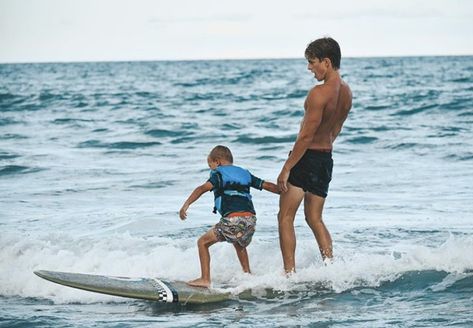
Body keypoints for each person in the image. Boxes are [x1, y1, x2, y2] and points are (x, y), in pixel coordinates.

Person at [277, 37, 352, 274]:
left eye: (312, 62)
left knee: (285, 217)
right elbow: (335, 129)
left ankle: (289, 275)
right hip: (325, 159)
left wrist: (287, 167)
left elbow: (306, 137)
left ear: (326, 62)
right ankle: (331, 269)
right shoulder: (347, 92)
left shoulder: (318, 94)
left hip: (306, 158)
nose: (309, 68)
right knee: (315, 218)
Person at [179, 145, 279, 287]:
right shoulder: (245, 174)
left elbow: (202, 188)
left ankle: (205, 279)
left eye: (211, 166)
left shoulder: (218, 175)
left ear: (217, 162)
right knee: (239, 243)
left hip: (233, 220)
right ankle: (247, 275)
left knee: (202, 243)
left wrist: (186, 205)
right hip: (250, 221)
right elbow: (267, 185)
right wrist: (285, 191)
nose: (211, 169)